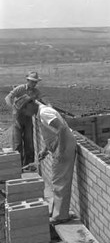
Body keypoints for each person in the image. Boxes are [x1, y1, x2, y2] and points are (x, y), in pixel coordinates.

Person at [15, 94, 77, 225]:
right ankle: (58, 212)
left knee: (60, 181)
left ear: (30, 105)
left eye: (25, 110)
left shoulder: (44, 112)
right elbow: (53, 133)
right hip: (62, 146)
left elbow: (61, 128)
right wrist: (45, 150)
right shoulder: (41, 112)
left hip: (65, 147)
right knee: (59, 180)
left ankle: (60, 216)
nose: (26, 114)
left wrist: (60, 150)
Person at [4, 71, 43, 167]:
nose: (34, 84)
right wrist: (13, 108)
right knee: (17, 144)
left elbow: (40, 103)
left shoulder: (36, 92)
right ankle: (18, 166)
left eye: (35, 82)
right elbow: (8, 97)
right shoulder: (20, 89)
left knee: (29, 144)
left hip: (28, 119)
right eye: (32, 82)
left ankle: (28, 166)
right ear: (28, 80)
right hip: (17, 119)